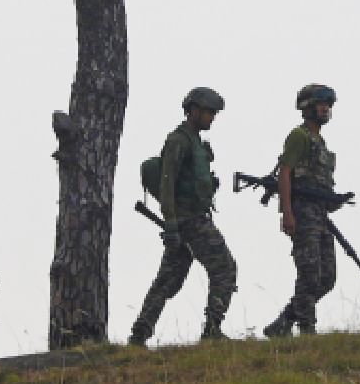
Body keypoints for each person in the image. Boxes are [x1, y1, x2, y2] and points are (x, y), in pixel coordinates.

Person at [128, 88, 237, 347]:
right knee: (224, 268)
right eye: (209, 112)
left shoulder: (194, 141)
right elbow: (167, 183)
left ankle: (139, 334)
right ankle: (212, 329)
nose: (212, 117)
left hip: (188, 220)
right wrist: (172, 224)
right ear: (194, 110)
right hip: (190, 222)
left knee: (168, 280)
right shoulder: (179, 140)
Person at [264, 84, 338, 338]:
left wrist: (334, 200)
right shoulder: (299, 136)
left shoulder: (322, 143)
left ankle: (285, 320)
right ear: (307, 107)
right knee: (308, 274)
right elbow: (285, 172)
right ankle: (307, 329)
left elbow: (318, 181)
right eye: (321, 104)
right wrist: (287, 213)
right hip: (303, 214)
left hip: (321, 216)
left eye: (328, 105)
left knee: (327, 278)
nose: (326, 109)